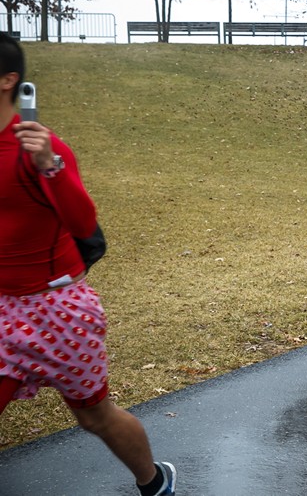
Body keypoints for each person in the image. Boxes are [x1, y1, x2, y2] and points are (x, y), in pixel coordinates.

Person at [0, 33, 176, 496]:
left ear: (7, 80)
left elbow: (83, 219)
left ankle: (154, 482)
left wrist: (49, 164)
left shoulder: (40, 147)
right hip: (2, 310)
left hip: (59, 309)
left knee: (95, 416)